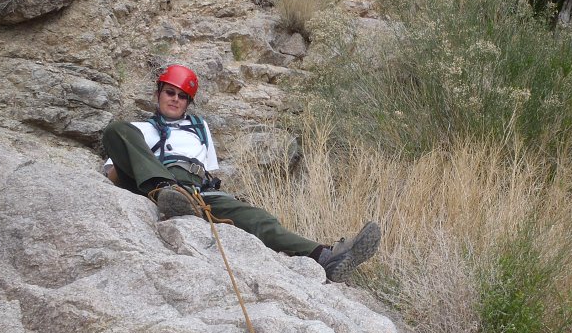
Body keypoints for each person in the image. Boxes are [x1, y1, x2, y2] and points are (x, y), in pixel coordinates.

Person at [102, 64, 380, 283]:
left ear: (188, 102)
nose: (175, 99)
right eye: (170, 92)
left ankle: (326, 257)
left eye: (182, 96)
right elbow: (112, 173)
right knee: (116, 129)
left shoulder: (199, 128)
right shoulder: (139, 129)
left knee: (260, 219)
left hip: (198, 192)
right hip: (157, 183)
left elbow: (208, 170)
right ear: (158, 94)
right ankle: (165, 191)